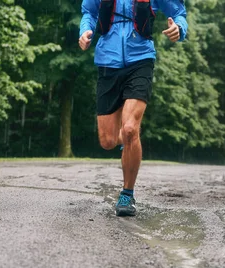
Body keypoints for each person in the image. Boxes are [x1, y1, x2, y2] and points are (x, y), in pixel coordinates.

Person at [79, 0, 187, 217]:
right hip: (107, 61)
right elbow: (88, 12)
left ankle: (127, 193)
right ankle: (128, 143)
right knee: (108, 141)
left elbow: (178, 11)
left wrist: (180, 28)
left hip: (141, 59)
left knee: (129, 128)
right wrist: (85, 31)